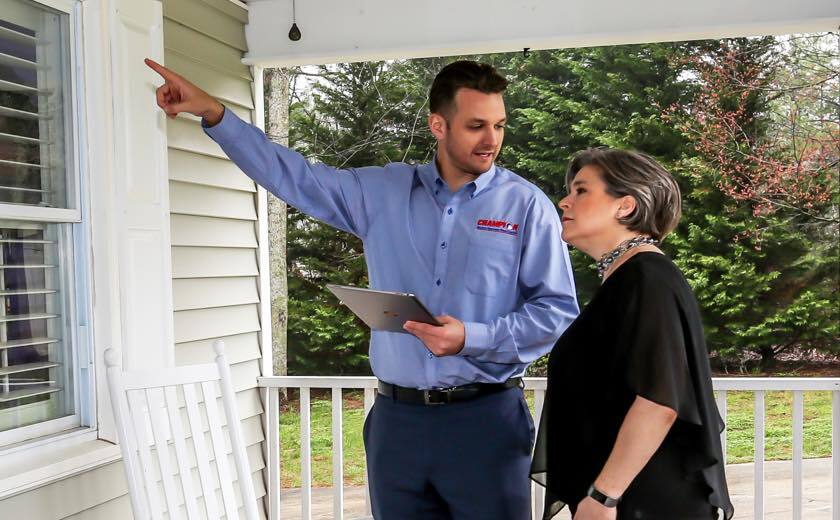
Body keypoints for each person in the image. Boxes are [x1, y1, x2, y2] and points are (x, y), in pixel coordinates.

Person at [146, 58, 579, 519]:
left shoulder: (526, 205)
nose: (492, 139)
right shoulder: (381, 192)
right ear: (438, 124)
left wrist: (471, 337)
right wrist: (215, 113)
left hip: (485, 423)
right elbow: (295, 177)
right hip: (397, 425)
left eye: (499, 125)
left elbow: (557, 312)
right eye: (476, 126)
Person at [530, 148, 734, 520]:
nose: (564, 201)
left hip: (642, 501)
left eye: (581, 190)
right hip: (628, 497)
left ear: (624, 206)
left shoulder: (647, 279)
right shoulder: (627, 279)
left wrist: (603, 497)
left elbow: (660, 402)